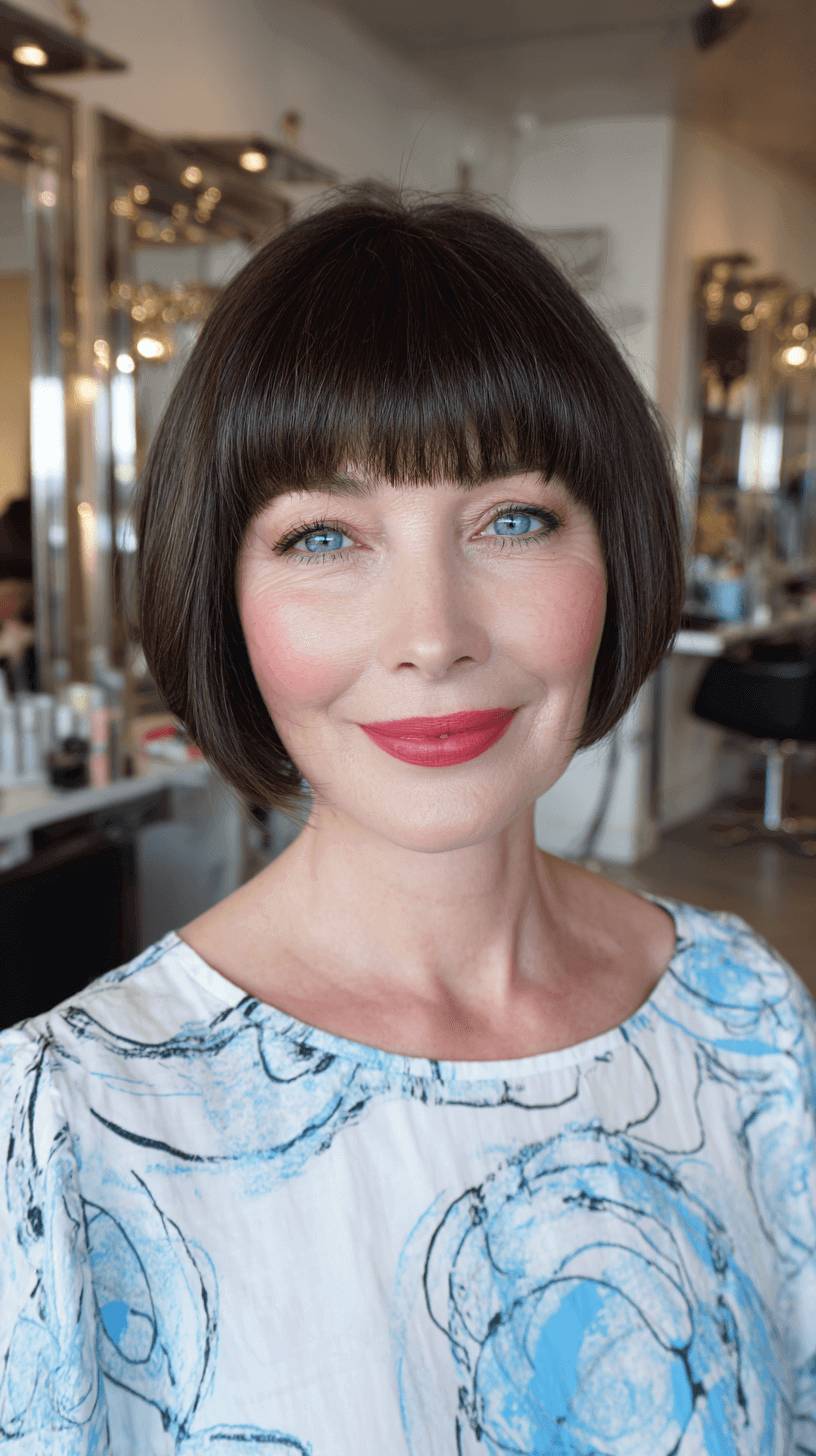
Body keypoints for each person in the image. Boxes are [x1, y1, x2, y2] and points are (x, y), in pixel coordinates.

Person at [1, 181, 814, 1454]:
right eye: (325, 537)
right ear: (223, 587)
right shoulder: (66, 1127)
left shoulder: (747, 1018)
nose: (434, 636)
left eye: (513, 519)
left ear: (616, 552)